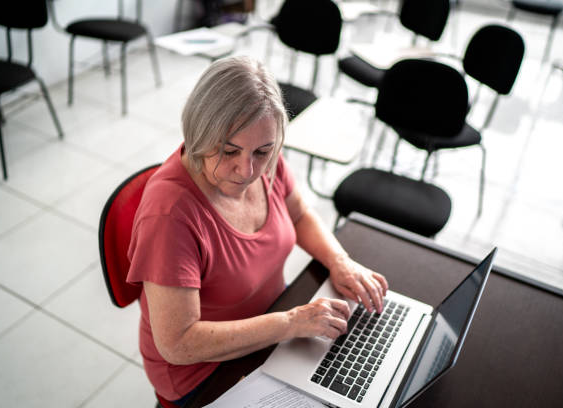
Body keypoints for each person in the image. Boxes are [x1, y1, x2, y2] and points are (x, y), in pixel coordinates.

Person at [127, 56, 388, 406]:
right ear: (198, 134)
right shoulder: (170, 213)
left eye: (262, 152)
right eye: (229, 150)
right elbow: (178, 343)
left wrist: (340, 261)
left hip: (272, 323)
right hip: (203, 371)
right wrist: (290, 323)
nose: (247, 170)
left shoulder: (265, 152)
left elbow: (298, 213)